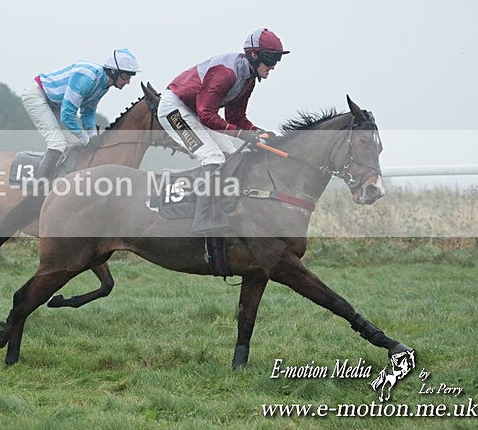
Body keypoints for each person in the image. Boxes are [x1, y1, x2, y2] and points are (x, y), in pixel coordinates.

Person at [157, 29, 289, 274]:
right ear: (253, 55)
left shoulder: (248, 77)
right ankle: (203, 217)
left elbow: (236, 117)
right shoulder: (226, 73)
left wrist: (258, 132)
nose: (273, 66)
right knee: (213, 156)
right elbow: (207, 114)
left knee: (231, 157)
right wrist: (242, 134)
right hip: (174, 109)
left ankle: (220, 206)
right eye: (271, 60)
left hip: (195, 110)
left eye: (277, 60)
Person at [21, 48, 140, 179]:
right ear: (113, 71)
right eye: (126, 76)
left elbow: (88, 112)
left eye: (130, 77)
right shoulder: (87, 78)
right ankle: (40, 186)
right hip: (37, 96)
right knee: (57, 144)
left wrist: (92, 134)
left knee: (73, 144)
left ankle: (58, 180)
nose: (128, 81)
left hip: (54, 103)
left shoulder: (104, 85)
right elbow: (67, 115)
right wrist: (85, 138)